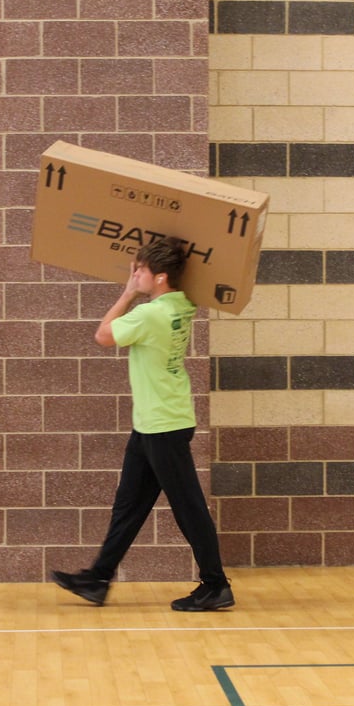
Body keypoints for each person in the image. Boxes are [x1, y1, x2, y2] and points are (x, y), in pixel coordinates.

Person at [51, 237, 234, 612]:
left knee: (189, 507)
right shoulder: (183, 304)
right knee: (129, 506)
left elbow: (103, 335)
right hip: (154, 422)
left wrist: (128, 294)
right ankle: (98, 578)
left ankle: (216, 585)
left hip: (164, 424)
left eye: (141, 270)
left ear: (160, 277)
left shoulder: (151, 315)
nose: (135, 275)